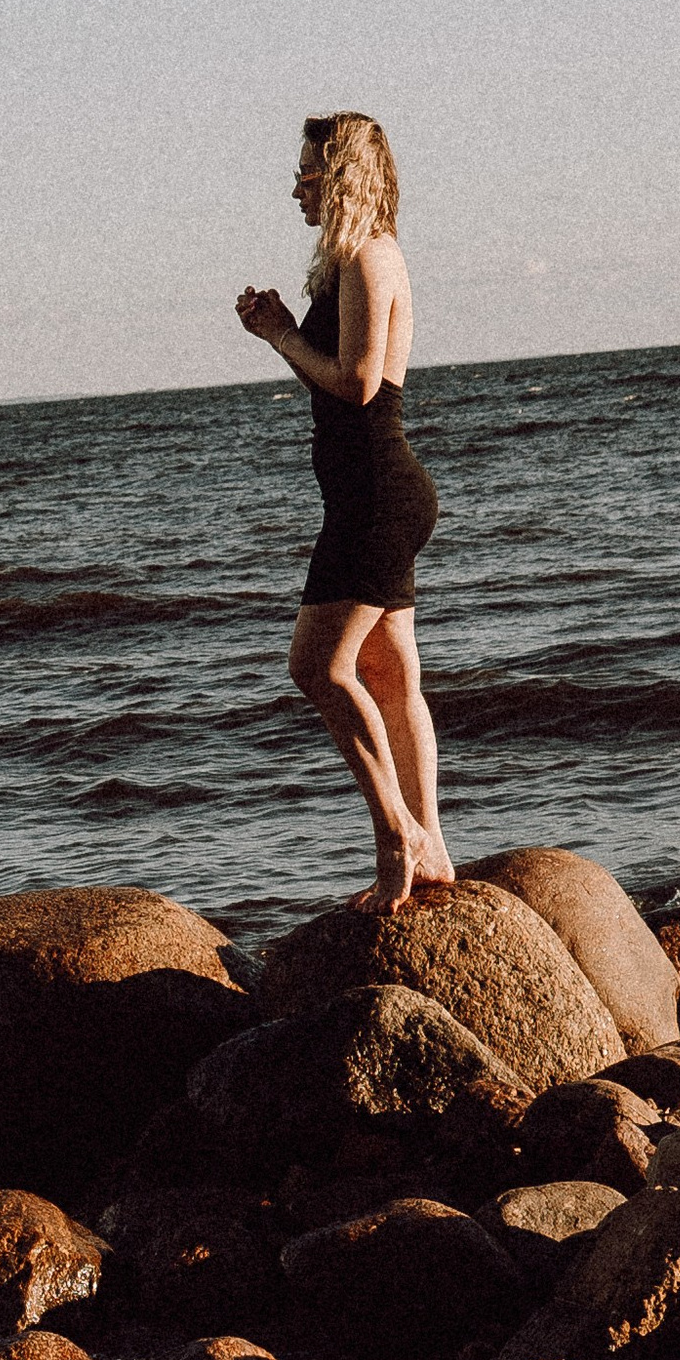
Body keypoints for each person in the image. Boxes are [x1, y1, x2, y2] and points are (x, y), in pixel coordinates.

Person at [234, 110, 452, 908]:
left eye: (308, 174)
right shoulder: (360, 259)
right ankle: (433, 848)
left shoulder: (367, 257)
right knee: (390, 674)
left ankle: (398, 835)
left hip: (374, 496)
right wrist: (284, 333)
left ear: (343, 178)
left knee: (318, 667)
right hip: (374, 492)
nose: (297, 188)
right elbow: (343, 386)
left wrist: (281, 337)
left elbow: (358, 385)